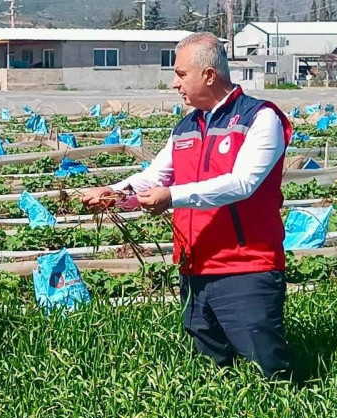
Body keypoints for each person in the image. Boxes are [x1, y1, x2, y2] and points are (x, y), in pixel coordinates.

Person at [81, 32, 293, 380]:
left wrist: (173, 196)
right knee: (213, 370)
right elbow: (156, 175)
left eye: (181, 74)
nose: (175, 84)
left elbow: (243, 183)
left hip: (245, 267)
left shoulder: (259, 119)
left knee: (264, 369)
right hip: (195, 267)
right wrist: (113, 192)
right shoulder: (186, 127)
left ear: (209, 75)